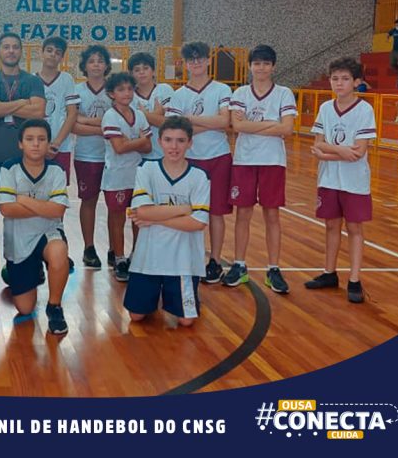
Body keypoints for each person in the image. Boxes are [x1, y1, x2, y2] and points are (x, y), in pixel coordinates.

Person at [125, 116, 209, 327]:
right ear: (159, 141)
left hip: (183, 259)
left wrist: (154, 218)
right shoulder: (146, 169)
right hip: (149, 256)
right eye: (168, 140)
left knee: (186, 321)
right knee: (136, 316)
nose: (174, 146)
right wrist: (182, 210)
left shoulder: (199, 176)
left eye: (180, 141)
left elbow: (198, 223)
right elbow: (142, 211)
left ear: (190, 143)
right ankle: (153, 298)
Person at [225, 45, 296, 294]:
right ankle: (240, 264)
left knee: (272, 215)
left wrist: (250, 125)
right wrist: (270, 124)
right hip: (244, 160)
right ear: (250, 66)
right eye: (257, 63)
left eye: (266, 63)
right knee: (242, 214)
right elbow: (236, 125)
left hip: (273, 161)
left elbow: (287, 129)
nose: (261, 68)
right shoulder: (241, 92)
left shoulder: (284, 93)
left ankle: (273, 268)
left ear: (273, 66)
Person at [307, 57, 376, 303]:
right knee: (331, 226)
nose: (339, 83)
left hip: (355, 181)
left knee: (355, 228)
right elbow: (317, 147)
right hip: (328, 179)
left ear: (357, 82)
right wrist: (341, 151)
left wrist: (329, 151)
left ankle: (355, 279)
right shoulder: (326, 108)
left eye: (345, 79)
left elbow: (358, 152)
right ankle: (329, 273)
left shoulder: (365, 110)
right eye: (335, 78)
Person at [166, 42, 233, 284]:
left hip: (218, 156)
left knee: (216, 212)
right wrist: (209, 122)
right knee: (186, 210)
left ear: (207, 61)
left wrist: (190, 121)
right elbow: (175, 128)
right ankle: (186, 258)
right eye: (191, 59)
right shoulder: (179, 94)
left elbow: (225, 122)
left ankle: (214, 260)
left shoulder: (222, 89)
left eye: (200, 58)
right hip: (189, 159)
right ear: (185, 64)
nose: (196, 63)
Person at [0, 120, 71, 335]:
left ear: (48, 144)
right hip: (18, 238)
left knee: (59, 253)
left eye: (41, 139)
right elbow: (7, 210)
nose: (36, 144)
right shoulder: (9, 167)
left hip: (47, 232)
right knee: (25, 308)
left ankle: (54, 307)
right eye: (29, 139)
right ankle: (23, 268)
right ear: (20, 144)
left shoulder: (56, 170)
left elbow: (58, 211)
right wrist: (45, 206)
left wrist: (21, 199)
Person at [0, 33, 46, 216]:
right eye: (6, 47)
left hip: (24, 159)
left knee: (22, 213)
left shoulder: (32, 81)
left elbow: (38, 112)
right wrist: (22, 102)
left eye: (15, 47)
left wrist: (0, 106)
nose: (11, 51)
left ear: (21, 51)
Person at [101, 72, 152, 282]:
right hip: (116, 175)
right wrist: (137, 141)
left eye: (130, 89)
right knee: (117, 218)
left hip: (137, 174)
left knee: (138, 216)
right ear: (111, 93)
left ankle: (135, 256)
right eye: (121, 89)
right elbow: (119, 148)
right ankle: (119, 258)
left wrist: (133, 143)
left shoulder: (139, 114)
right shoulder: (110, 116)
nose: (127, 93)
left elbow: (148, 147)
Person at [73, 45, 114, 269]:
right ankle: (89, 248)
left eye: (100, 60)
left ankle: (114, 248)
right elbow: (74, 126)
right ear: (85, 66)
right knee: (88, 201)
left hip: (115, 155)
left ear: (107, 65)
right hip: (86, 155)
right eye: (92, 61)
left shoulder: (115, 89)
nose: (96, 64)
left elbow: (121, 118)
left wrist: (86, 120)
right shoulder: (78, 90)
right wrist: (107, 126)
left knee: (115, 205)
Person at [34, 36, 80, 177]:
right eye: (49, 50)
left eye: (58, 52)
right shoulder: (31, 79)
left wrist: (56, 144)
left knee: (58, 192)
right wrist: (40, 143)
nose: (53, 54)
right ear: (41, 53)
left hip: (61, 146)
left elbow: (72, 114)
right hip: (35, 145)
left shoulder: (67, 79)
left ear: (61, 58)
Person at [129, 52, 174, 161]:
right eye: (137, 70)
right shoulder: (129, 95)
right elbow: (132, 128)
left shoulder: (164, 89)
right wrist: (157, 114)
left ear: (153, 71)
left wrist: (144, 115)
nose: (142, 72)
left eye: (145, 68)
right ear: (131, 74)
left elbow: (170, 124)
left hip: (166, 154)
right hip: (138, 156)